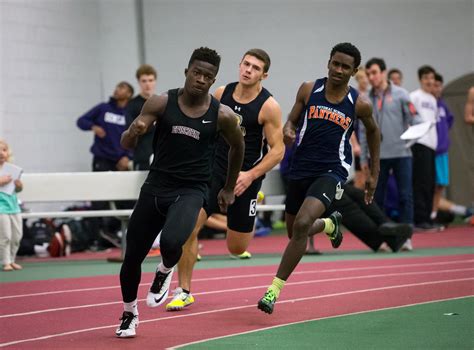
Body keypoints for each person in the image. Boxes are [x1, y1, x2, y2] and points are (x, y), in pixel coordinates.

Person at [114, 47, 244, 338]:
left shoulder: (221, 114)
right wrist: (135, 131)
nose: (200, 79)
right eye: (196, 72)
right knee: (131, 257)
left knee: (173, 242)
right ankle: (129, 313)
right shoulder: (161, 102)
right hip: (156, 185)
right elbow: (126, 143)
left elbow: (238, 146)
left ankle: (164, 270)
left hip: (192, 189)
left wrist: (227, 187)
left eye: (207, 76)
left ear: (213, 80)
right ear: (187, 71)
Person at [257, 42, 381, 314]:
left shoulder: (358, 103)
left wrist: (373, 172)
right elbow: (291, 120)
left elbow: (374, 133)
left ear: (353, 71)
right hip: (300, 169)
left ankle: (273, 290)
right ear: (328, 62)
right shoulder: (308, 89)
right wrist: (288, 131)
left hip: (332, 170)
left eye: (345, 67)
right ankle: (328, 225)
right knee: (294, 233)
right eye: (335, 63)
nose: (338, 70)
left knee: (301, 224)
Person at [166, 48, 284, 311]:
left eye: (255, 68)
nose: (248, 70)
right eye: (245, 64)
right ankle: (184, 290)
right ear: (239, 65)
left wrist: (250, 176)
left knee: (235, 247)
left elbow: (278, 150)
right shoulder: (221, 94)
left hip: (245, 178)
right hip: (213, 172)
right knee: (189, 227)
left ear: (264, 75)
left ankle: (254, 202)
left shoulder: (269, 106)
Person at [361, 58, 419, 233]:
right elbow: (363, 132)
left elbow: (415, 119)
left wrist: (410, 141)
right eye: (368, 74)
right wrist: (364, 158)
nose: (371, 77)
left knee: (405, 195)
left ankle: (407, 234)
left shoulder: (401, 94)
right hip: (377, 156)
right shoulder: (365, 99)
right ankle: (382, 233)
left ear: (384, 73)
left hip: (402, 154)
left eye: (375, 73)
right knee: (377, 197)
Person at [77, 81, 135, 247]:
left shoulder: (130, 113)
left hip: (121, 162)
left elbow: (135, 137)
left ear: (129, 94)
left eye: (122, 88)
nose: (117, 90)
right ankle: (95, 237)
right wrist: (93, 126)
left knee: (125, 199)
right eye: (117, 87)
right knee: (99, 199)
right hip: (102, 159)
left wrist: (127, 157)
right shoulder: (103, 108)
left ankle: (113, 230)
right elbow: (81, 121)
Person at [330, 182, 412, 252]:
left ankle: (385, 223)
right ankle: (384, 239)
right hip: (319, 189)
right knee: (345, 205)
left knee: (360, 195)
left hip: (328, 181)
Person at [410, 65, 439, 230]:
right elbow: (409, 118)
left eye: (432, 78)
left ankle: (427, 218)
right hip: (419, 143)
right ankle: (420, 219)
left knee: (430, 182)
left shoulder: (433, 99)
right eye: (427, 78)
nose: (430, 81)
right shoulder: (415, 96)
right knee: (420, 182)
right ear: (421, 79)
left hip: (431, 144)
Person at [125, 64, 158, 170]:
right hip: (142, 158)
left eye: (150, 80)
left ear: (155, 81)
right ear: (139, 82)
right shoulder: (132, 105)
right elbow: (130, 132)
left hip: (160, 157)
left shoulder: (161, 103)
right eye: (144, 81)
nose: (148, 84)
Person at [431, 73, 454, 220]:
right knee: (431, 184)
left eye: (439, 85)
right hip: (431, 151)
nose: (437, 88)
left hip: (442, 150)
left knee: (441, 184)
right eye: (435, 85)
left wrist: (443, 139)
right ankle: (430, 212)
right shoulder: (426, 103)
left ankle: (434, 213)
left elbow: (450, 121)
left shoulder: (443, 105)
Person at [0, 139, 24, 271]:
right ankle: (5, 262)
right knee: (5, 236)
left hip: (14, 207)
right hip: (1, 209)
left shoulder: (11, 169)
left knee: (16, 236)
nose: (1, 153)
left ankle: (12, 259)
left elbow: (17, 190)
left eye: (3, 150)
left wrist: (19, 186)